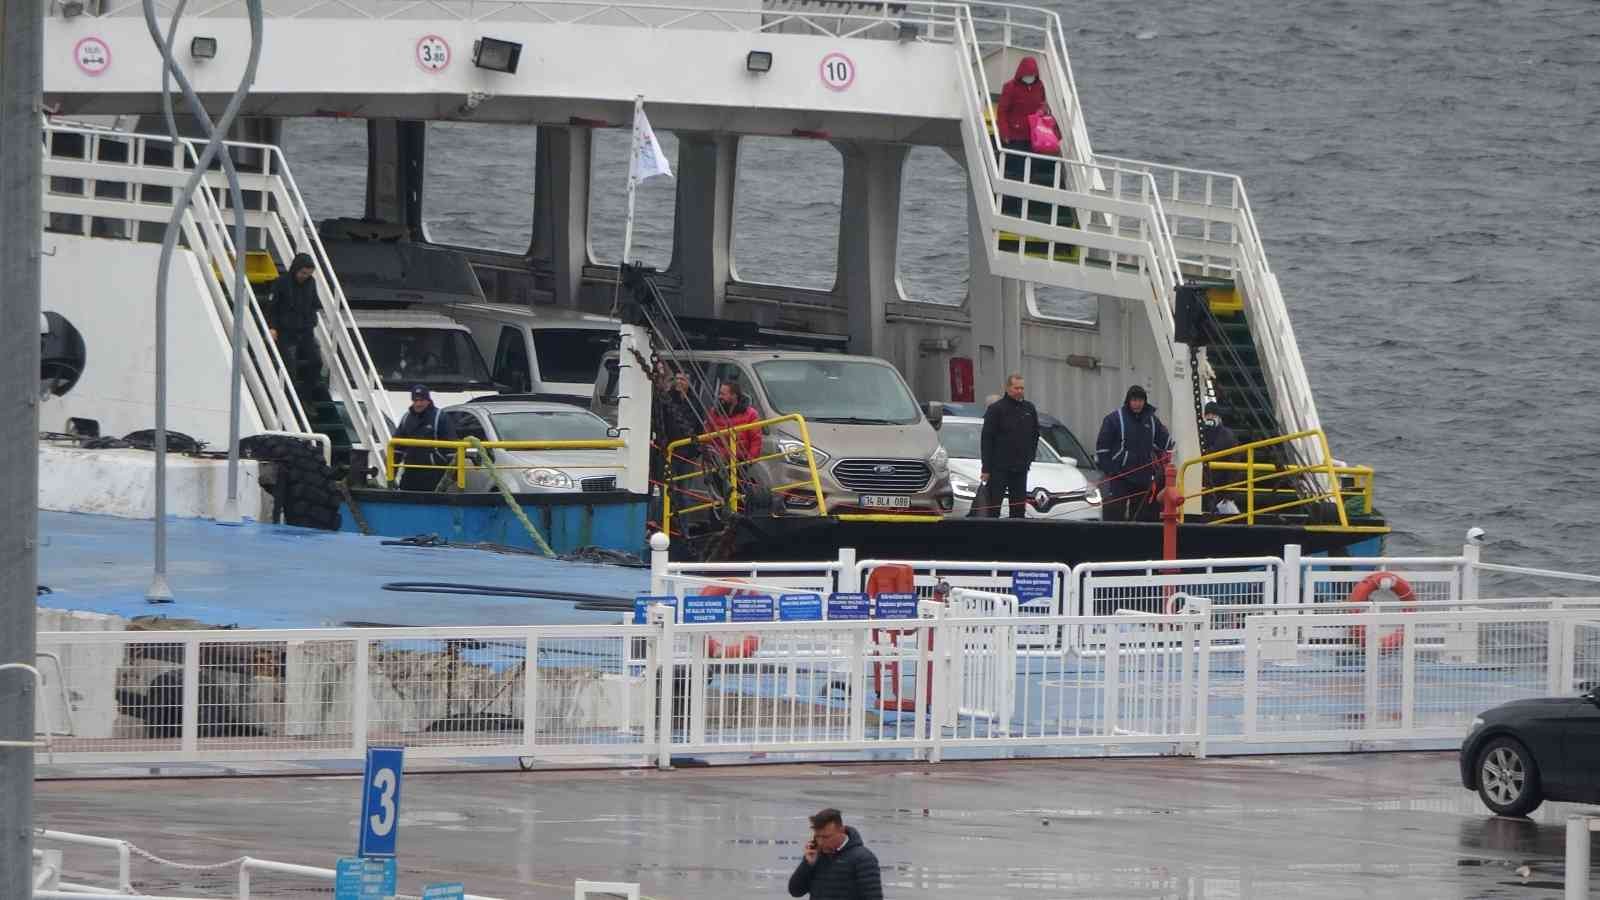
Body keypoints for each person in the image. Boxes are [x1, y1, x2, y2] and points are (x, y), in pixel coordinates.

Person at [1095, 385, 1172, 522]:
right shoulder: (1114, 420)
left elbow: (1166, 443)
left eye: (1140, 400)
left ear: (1145, 401)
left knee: (1141, 516)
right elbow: (1102, 449)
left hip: (1143, 477)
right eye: (1134, 400)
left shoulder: (1152, 421)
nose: (1137, 404)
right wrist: (1110, 470)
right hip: (1120, 476)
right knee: (1114, 513)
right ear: (1128, 401)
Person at [266, 252, 324, 404]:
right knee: (289, 367)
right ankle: (289, 402)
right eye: (303, 272)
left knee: (316, 362)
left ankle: (306, 397)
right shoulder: (281, 282)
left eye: (308, 273)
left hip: (305, 331)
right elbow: (272, 307)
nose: (305, 276)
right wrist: (272, 327)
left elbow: (315, 304)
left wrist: (311, 319)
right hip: (286, 332)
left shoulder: (311, 283)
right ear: (296, 269)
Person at [980, 373, 1040, 519]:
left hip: (1020, 468)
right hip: (998, 468)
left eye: (1022, 388)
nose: (1019, 391)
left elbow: (1035, 434)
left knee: (1018, 509)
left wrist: (1029, 458)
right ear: (1007, 388)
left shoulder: (1029, 408)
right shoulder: (996, 409)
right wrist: (986, 468)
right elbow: (987, 439)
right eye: (1016, 388)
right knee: (993, 507)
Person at [787, 808, 882, 900]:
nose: (820, 842)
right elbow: (795, 891)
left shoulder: (863, 859)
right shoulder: (815, 856)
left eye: (826, 837)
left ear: (841, 830)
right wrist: (807, 864)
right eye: (817, 836)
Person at [995, 57, 1048, 219]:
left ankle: (1024, 206)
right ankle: (1015, 207)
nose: (1030, 77)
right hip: (1016, 136)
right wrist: (1004, 133)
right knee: (1018, 172)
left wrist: (1041, 111)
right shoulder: (1010, 88)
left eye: (1032, 74)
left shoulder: (1040, 86)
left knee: (1031, 171)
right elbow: (1002, 111)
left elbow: (1043, 104)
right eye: (1027, 74)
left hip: (1034, 137)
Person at [392, 384, 457, 491]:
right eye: (415, 400)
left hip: (434, 473)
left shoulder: (440, 417)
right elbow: (397, 448)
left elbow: (452, 449)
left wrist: (454, 475)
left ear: (428, 400)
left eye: (422, 400)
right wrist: (391, 474)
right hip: (411, 472)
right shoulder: (406, 418)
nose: (418, 404)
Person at [1200, 401, 1241, 514]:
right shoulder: (1202, 433)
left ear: (1218, 416)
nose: (1210, 417)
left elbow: (1234, 466)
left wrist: (1229, 493)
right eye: (1207, 414)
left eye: (1213, 414)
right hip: (1205, 487)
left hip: (1220, 487)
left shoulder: (1228, 436)